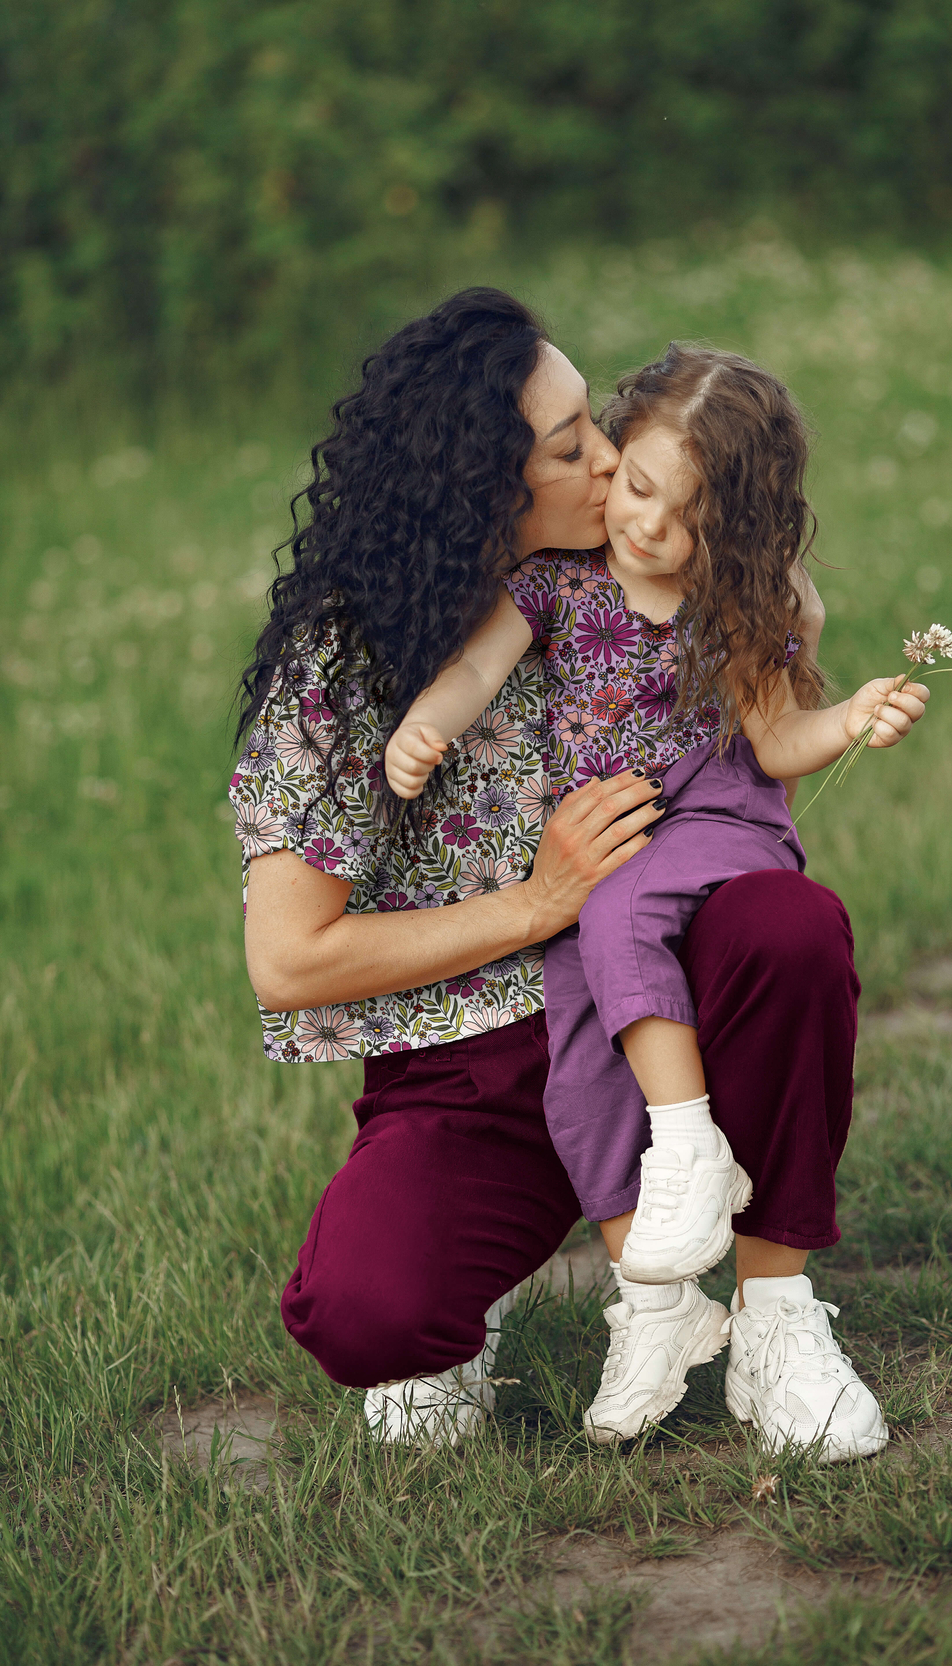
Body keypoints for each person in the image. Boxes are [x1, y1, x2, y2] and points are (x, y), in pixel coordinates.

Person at [232, 288, 909, 1462]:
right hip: (476, 1069)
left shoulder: (661, 558)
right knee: (367, 1312)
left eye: (599, 425)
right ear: (479, 486)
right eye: (569, 447)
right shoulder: (341, 664)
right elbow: (290, 962)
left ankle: (776, 1314)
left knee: (789, 927)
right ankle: (497, 1288)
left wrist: (790, 618)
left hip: (656, 1001)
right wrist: (539, 902)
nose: (608, 459)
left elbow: (746, 774)